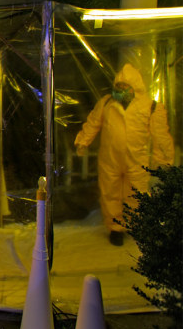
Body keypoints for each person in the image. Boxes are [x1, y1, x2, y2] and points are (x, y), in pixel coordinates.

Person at [74, 64, 174, 246]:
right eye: (118, 86)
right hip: (109, 158)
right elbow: (93, 123)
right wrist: (83, 141)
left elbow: (161, 135)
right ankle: (115, 228)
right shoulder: (106, 103)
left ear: (135, 87)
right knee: (110, 192)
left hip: (136, 160)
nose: (119, 90)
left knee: (136, 192)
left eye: (124, 87)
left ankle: (136, 225)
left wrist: (163, 159)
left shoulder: (150, 107)